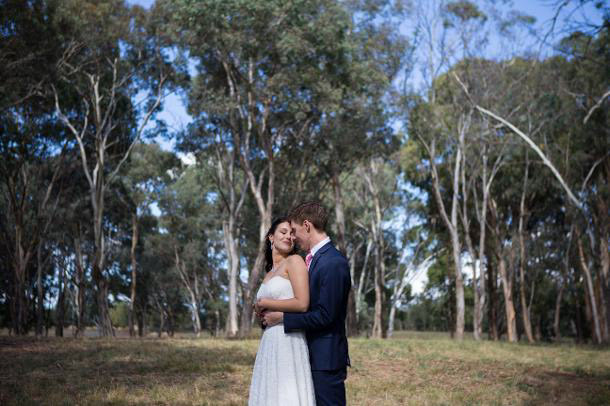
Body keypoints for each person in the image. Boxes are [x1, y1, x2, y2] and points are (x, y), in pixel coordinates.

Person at [262, 202, 351, 406]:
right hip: (305, 355)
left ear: (307, 225)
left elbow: (326, 315)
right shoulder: (312, 260)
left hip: (326, 359)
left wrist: (282, 318)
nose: (292, 237)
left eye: (294, 231)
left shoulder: (333, 262)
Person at [248, 217, 316, 406]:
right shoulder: (269, 273)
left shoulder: (295, 261)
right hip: (269, 341)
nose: (289, 236)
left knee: (287, 395)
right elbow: (267, 310)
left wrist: (266, 302)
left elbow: (302, 303)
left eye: (292, 234)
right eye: (283, 232)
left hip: (289, 339)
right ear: (271, 237)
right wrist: (260, 311)